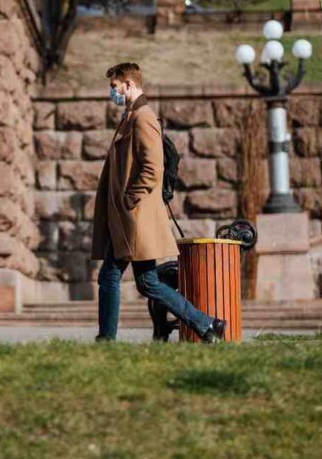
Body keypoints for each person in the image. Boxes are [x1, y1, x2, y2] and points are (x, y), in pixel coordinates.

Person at [91, 62, 227, 343]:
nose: (112, 93)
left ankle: (106, 340)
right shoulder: (131, 116)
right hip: (129, 217)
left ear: (128, 84)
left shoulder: (143, 117)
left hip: (133, 218)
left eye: (114, 87)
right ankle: (209, 325)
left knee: (109, 277)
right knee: (148, 282)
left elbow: (153, 167)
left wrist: (130, 198)